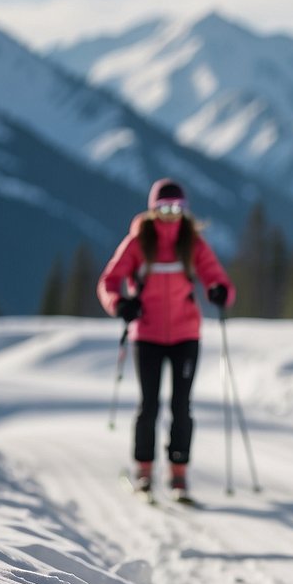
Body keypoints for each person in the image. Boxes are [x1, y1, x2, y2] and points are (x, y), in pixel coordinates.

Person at [97, 178, 235, 503]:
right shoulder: (138, 241)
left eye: (177, 208)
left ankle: (178, 474)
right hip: (147, 335)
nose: (171, 214)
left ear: (185, 210)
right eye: (163, 207)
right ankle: (144, 470)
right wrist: (119, 303)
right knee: (149, 405)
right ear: (152, 208)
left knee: (181, 407)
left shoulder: (192, 242)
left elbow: (219, 280)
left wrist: (220, 292)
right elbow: (109, 281)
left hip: (186, 335)